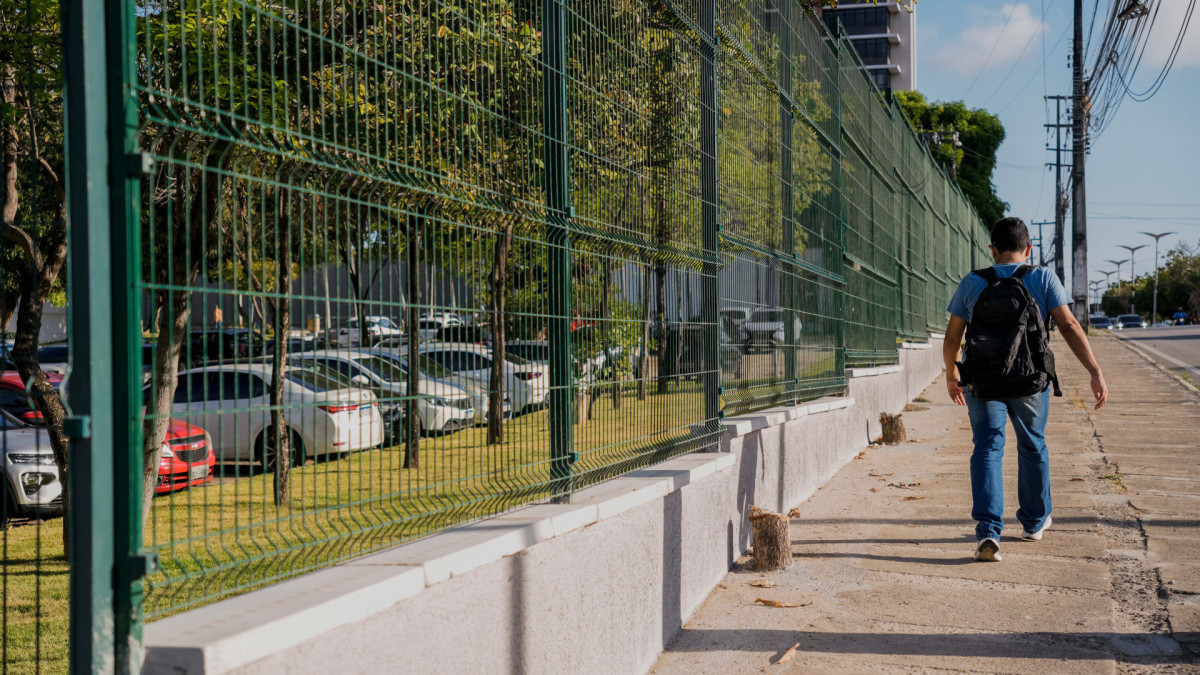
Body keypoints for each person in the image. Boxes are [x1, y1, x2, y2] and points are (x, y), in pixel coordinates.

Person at [943, 217, 1108, 562]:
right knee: (1032, 446)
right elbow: (1069, 324)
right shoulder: (1042, 276)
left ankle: (989, 532)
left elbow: (953, 336)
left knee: (988, 447)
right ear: (1028, 248)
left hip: (982, 380)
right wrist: (1094, 370)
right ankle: (1033, 522)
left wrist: (950, 375)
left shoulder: (973, 281)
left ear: (992, 249)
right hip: (1030, 380)